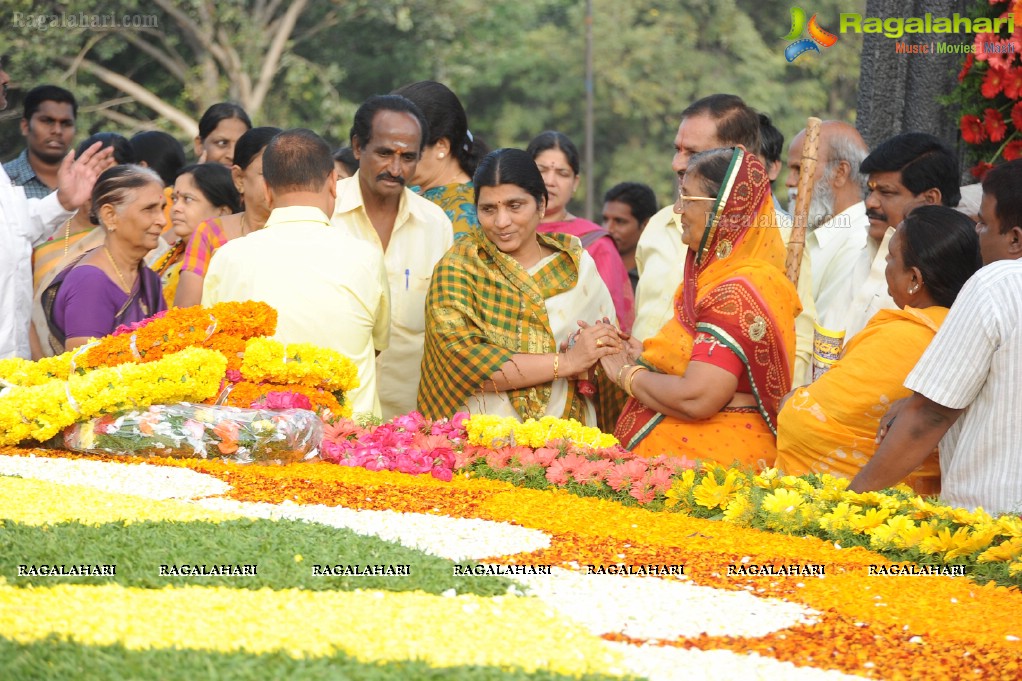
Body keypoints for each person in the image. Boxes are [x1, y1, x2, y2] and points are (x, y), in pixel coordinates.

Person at [608, 148, 800, 468]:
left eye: (687, 198)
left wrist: (625, 373)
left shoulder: (738, 289)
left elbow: (698, 396)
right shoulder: (716, 278)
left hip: (715, 470)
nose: (678, 209)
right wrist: (640, 353)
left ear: (722, 211)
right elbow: (701, 363)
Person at [851, 160, 1022, 515]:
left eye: (984, 224)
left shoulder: (998, 282)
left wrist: (847, 506)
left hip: (993, 530)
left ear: (1015, 239)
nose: (976, 234)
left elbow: (928, 417)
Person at [776, 206, 981, 494]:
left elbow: (804, 420)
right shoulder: (965, 330)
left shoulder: (904, 337)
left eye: (890, 257)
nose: (885, 265)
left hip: (861, 509)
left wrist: (791, 401)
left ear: (914, 280)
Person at [419, 148, 621, 426]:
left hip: (568, 441)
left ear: (540, 204)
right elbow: (461, 362)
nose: (502, 222)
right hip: (480, 439)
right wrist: (568, 363)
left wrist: (596, 356)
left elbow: (608, 352)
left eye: (515, 206)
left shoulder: (576, 266)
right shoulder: (459, 269)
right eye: (488, 209)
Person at [202, 129, 390, 417]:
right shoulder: (366, 257)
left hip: (258, 438)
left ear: (266, 189)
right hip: (350, 442)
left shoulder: (228, 258)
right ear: (332, 182)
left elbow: (214, 351)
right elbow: (377, 344)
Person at [632, 94, 816, 387]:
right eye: (676, 150)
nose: (676, 164)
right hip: (644, 397)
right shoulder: (659, 223)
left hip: (722, 418)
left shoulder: (778, 236)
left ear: (736, 158)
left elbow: (797, 342)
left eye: (692, 154)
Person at [331, 94, 454, 420]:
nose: (396, 168)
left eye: (408, 157)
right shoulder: (326, 211)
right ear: (358, 147)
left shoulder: (435, 224)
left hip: (408, 422)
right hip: (331, 415)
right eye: (385, 153)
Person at [1, 55, 115, 360]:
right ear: (26, 125)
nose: (6, 76)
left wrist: (63, 202)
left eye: (65, 123)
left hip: (13, 365)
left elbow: (17, 232)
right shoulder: (11, 174)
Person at [29, 133, 136, 358]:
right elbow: (26, 310)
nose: (101, 191)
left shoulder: (143, 242)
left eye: (112, 182)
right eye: (94, 177)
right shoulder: (43, 237)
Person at [845, 132, 960, 340]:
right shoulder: (862, 249)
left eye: (886, 192)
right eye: (870, 191)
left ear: (930, 199)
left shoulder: (948, 279)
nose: (870, 202)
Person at [43, 165, 167, 353]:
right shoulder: (90, 282)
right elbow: (85, 369)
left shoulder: (148, 279)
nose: (162, 220)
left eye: (162, 208)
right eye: (149, 209)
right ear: (110, 215)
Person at [784, 122, 870, 380]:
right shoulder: (809, 232)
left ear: (840, 173)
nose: (789, 182)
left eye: (799, 169)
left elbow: (823, 336)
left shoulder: (858, 240)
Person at [527, 131, 634, 333]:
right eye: (541, 170)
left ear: (575, 183)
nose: (550, 181)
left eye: (562, 173)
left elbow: (611, 319)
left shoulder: (595, 242)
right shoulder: (505, 232)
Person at [174, 127, 281, 308]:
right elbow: (185, 312)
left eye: (287, 174)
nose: (281, 183)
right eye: (268, 174)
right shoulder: (210, 233)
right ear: (239, 178)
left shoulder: (305, 232)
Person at [392, 80, 484, 240]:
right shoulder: (410, 193)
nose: (394, 163)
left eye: (406, 152)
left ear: (442, 146)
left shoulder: (467, 212)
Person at [155, 164, 241, 307]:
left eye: (187, 199)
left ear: (222, 212)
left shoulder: (222, 260)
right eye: (175, 198)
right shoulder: (172, 251)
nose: (176, 208)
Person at [3, 85, 77, 198]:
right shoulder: (4, 180)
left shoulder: (88, 181)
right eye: (47, 121)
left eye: (66, 123)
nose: (57, 131)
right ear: (25, 126)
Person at [601, 182, 658, 292]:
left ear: (645, 225)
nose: (608, 229)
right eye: (605, 220)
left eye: (620, 221)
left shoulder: (654, 279)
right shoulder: (591, 271)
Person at [193, 102, 252, 167]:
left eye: (241, 146)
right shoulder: (182, 177)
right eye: (222, 143)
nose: (232, 156)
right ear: (199, 145)